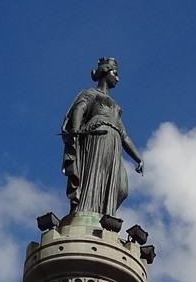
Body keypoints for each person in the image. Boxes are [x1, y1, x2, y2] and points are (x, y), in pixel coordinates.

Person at [60, 58, 144, 220]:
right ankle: (87, 212)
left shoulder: (116, 106)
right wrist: (76, 130)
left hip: (114, 141)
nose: (118, 78)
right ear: (105, 72)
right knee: (95, 175)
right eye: (115, 73)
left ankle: (105, 214)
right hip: (97, 137)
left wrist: (138, 158)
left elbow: (124, 135)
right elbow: (79, 108)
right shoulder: (91, 93)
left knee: (122, 188)